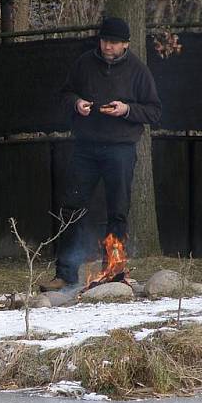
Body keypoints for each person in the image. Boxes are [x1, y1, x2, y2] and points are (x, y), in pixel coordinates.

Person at [40, 16, 162, 292]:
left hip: (120, 149)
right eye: (106, 41)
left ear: (126, 45)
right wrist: (77, 103)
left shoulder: (138, 70)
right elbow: (65, 94)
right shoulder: (84, 63)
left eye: (115, 43)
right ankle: (65, 273)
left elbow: (155, 111)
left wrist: (126, 110)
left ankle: (114, 271)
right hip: (85, 147)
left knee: (118, 210)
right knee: (72, 207)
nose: (108, 47)